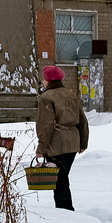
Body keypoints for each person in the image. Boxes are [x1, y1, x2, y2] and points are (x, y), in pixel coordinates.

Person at [36, 65, 88, 210]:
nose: (43, 81)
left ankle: (66, 211)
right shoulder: (70, 94)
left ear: (48, 80)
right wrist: (82, 143)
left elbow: (46, 125)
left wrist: (41, 148)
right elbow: (83, 120)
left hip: (57, 144)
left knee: (59, 181)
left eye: (44, 78)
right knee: (62, 178)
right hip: (72, 142)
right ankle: (64, 209)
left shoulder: (46, 97)